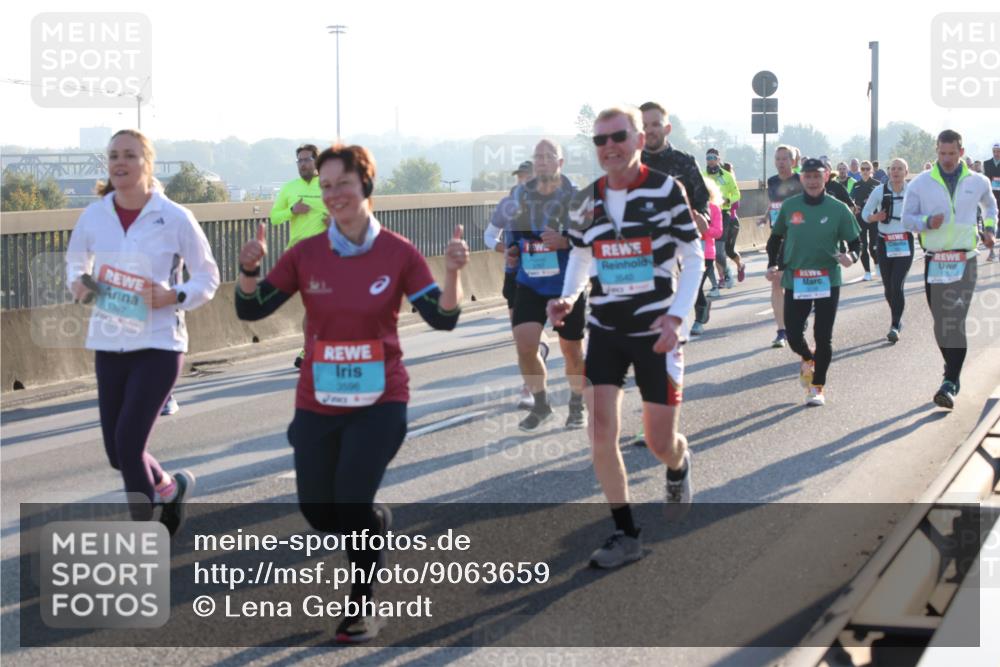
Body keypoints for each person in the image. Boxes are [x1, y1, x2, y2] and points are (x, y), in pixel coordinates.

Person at [236, 144, 469, 642]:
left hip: (380, 402)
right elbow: (252, 311)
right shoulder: (306, 253)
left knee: (350, 500)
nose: (333, 195)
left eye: (342, 183)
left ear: (365, 184)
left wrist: (452, 275)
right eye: (325, 186)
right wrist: (250, 268)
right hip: (317, 401)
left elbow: (442, 319)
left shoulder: (399, 253)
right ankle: (374, 522)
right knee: (320, 512)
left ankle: (360, 607)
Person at [548, 106, 703, 568]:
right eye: (600, 140)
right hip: (608, 328)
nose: (609, 147)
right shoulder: (586, 199)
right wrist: (569, 297)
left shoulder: (665, 189)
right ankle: (624, 532)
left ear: (638, 139)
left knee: (658, 442)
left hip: (657, 329)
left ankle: (678, 465)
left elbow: (693, 258)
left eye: (618, 136)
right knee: (601, 433)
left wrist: (676, 318)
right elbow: (579, 254)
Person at [66, 129, 220, 533]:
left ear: (146, 163)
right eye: (114, 155)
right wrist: (80, 282)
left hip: (159, 344)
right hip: (108, 340)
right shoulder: (94, 214)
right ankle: (169, 489)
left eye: (130, 155)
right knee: (117, 454)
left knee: (130, 447)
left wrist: (174, 295)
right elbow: (74, 264)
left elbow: (208, 278)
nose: (120, 162)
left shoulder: (174, 217)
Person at [901, 130, 997, 409]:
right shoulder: (920, 183)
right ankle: (951, 369)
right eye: (942, 154)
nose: (946, 159)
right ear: (936, 152)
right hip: (935, 261)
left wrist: (989, 230)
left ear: (961, 152)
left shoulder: (977, 181)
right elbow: (907, 219)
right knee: (941, 324)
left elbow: (990, 207)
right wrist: (928, 221)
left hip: (965, 259)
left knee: (954, 320)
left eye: (951, 154)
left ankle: (950, 382)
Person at [766, 158, 860, 407]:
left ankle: (817, 387)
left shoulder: (839, 209)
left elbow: (856, 243)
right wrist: (772, 265)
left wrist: (850, 256)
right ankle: (808, 358)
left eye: (817, 176)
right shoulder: (790, 206)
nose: (812, 181)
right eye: (807, 177)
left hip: (827, 278)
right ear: (802, 179)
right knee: (794, 335)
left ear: (826, 177)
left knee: (823, 336)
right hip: (796, 278)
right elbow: (774, 239)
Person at [506, 140, 586, 431]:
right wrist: (512, 252)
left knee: (572, 351)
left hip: (567, 283)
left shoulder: (576, 197)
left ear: (560, 162)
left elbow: (591, 238)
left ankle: (577, 405)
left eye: (548, 156)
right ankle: (541, 405)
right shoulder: (521, 195)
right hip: (531, 280)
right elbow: (513, 233)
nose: (541, 161)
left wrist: (565, 241)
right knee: (525, 344)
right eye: (537, 156)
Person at [484, 160, 549, 409]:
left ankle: (531, 388)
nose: (523, 181)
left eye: (527, 176)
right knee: (520, 338)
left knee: (542, 337)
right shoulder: (508, 204)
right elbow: (489, 236)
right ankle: (532, 377)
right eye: (520, 177)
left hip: (546, 273)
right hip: (515, 274)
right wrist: (504, 249)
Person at [270, 144, 329, 368]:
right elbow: (275, 218)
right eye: (299, 161)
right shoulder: (289, 189)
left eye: (307, 160)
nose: (302, 164)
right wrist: (292, 211)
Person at [863, 158, 913, 342]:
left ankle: (895, 323)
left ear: (906, 172)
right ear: (888, 171)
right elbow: (864, 213)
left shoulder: (912, 191)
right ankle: (897, 316)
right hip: (884, 242)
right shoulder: (879, 190)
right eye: (893, 169)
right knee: (887, 289)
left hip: (904, 241)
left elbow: (922, 212)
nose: (896, 172)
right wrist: (874, 217)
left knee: (897, 284)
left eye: (900, 169)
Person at [765, 145, 804, 348]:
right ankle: (781, 330)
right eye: (777, 159)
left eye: (784, 159)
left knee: (797, 284)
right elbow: (774, 205)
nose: (781, 162)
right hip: (778, 238)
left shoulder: (801, 180)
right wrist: (767, 217)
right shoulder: (771, 182)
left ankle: (800, 315)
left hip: (799, 238)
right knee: (776, 282)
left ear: (793, 161)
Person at [703, 148, 744, 287]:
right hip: (708, 214)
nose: (711, 160)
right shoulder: (702, 176)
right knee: (709, 252)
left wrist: (728, 200)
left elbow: (737, 194)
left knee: (720, 251)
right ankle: (721, 279)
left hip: (723, 214)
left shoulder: (727, 175)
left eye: (713, 157)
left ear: (718, 159)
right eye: (708, 158)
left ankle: (726, 274)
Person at [691, 176, 725, 335]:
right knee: (689, 287)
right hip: (688, 252)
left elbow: (718, 232)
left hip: (706, 253)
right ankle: (703, 305)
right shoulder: (685, 208)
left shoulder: (714, 208)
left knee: (696, 286)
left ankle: (698, 320)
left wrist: (705, 229)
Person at [851, 160, 883, 281]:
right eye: (863, 169)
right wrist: (854, 207)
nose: (865, 171)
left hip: (873, 218)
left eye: (867, 169)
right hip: (860, 220)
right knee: (863, 246)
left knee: (873, 246)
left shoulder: (878, 184)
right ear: (860, 171)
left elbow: (882, 200)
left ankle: (877, 264)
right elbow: (851, 200)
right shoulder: (856, 185)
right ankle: (867, 271)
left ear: (871, 171)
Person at [985, 142, 1000, 262]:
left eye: (998, 151)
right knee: (991, 224)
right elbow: (987, 179)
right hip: (991, 197)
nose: (996, 153)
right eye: (994, 151)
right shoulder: (987, 163)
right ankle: (991, 252)